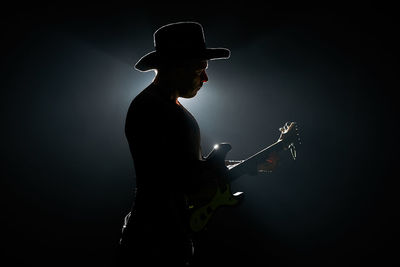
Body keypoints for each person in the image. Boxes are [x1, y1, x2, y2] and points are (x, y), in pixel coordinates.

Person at [118, 21, 279, 266]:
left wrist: (248, 165)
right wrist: (224, 171)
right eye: (198, 69)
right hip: (155, 242)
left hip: (164, 236)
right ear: (174, 67)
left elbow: (189, 168)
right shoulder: (152, 109)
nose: (205, 78)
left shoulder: (164, 108)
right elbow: (184, 179)